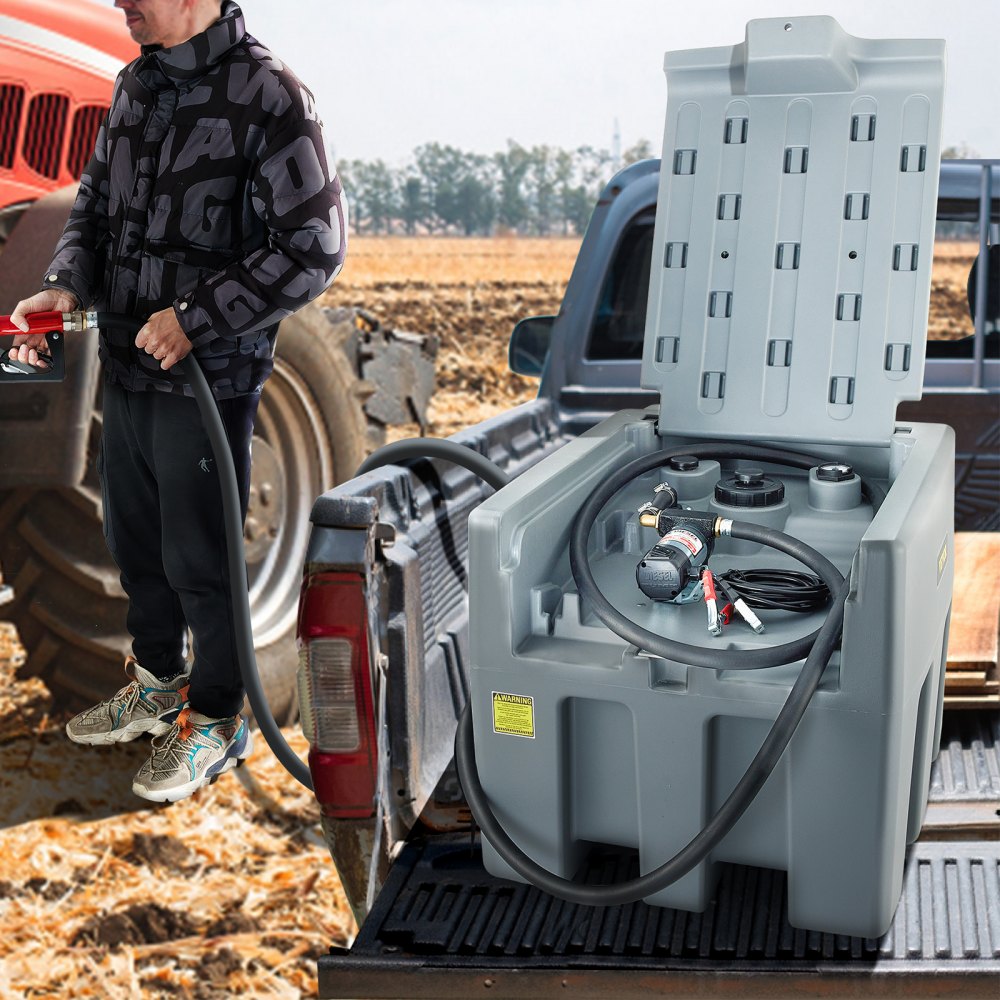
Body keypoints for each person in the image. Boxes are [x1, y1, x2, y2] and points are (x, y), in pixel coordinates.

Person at [8, 0, 347, 803]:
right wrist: (62, 285)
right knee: (134, 539)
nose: (122, 0)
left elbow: (314, 245)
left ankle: (218, 719)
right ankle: (159, 681)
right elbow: (91, 207)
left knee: (202, 554)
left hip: (209, 373)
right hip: (126, 360)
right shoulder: (134, 86)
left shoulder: (270, 96)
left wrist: (198, 319)